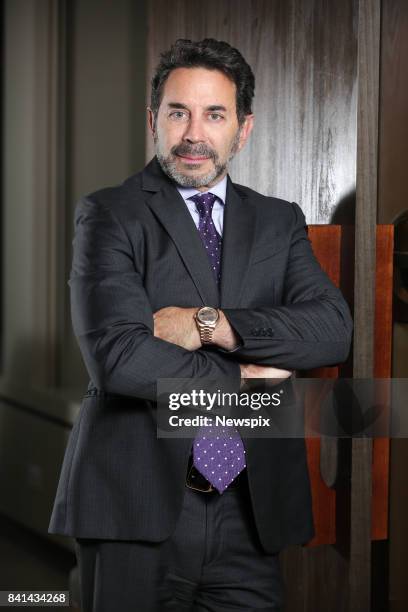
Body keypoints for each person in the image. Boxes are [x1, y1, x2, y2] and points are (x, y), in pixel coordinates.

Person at [49, 38, 353, 611]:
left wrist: (212, 325)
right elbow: (119, 358)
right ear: (153, 121)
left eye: (215, 114)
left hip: (250, 512)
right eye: (178, 112)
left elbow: (333, 330)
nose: (194, 133)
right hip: (134, 508)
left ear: (243, 128)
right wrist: (244, 384)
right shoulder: (110, 214)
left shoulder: (278, 220)